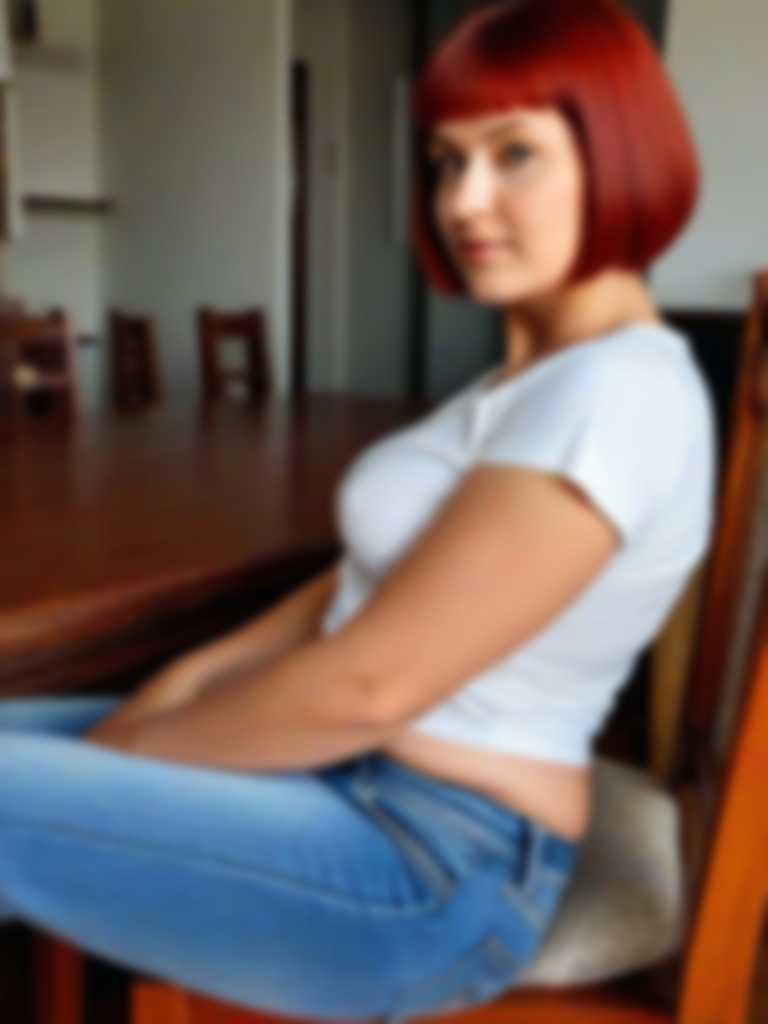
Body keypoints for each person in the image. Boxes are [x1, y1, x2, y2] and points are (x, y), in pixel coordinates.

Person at [0, 2, 716, 1021]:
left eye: (514, 154)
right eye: (446, 162)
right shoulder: (527, 389)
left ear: (619, 152)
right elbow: (338, 603)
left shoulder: (618, 394)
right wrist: (163, 699)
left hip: (431, 867)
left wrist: (117, 765)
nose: (464, 200)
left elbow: (370, 687)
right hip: (347, 780)